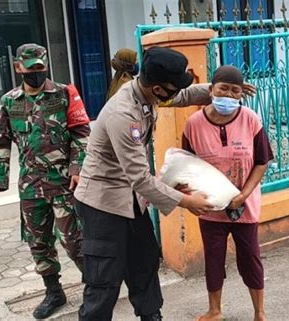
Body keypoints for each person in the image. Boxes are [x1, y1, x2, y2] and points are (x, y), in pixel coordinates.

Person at [74, 46, 257, 321]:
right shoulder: (124, 115)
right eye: (171, 88)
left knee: (145, 262)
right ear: (158, 89)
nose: (176, 92)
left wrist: (220, 89)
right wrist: (187, 201)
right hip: (103, 203)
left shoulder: (149, 93)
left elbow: (183, 95)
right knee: (104, 278)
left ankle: (151, 317)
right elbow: (140, 178)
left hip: (131, 200)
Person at [0, 43, 90, 319]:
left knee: (74, 240)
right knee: (38, 242)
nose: (36, 74)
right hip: (30, 185)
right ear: (18, 67)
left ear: (46, 65)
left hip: (64, 183)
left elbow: (81, 133)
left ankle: (96, 288)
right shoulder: (9, 101)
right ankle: (53, 291)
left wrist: (77, 167)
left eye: (40, 68)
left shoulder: (65, 94)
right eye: (30, 69)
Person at [181, 65, 274, 321]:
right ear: (211, 90)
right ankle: (215, 310)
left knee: (250, 258)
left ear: (241, 94)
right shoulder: (193, 124)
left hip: (244, 205)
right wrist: (189, 199)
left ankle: (260, 312)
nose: (229, 96)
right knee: (213, 258)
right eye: (223, 89)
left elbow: (262, 161)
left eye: (235, 91)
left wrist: (243, 195)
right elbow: (186, 166)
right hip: (210, 207)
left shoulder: (251, 119)